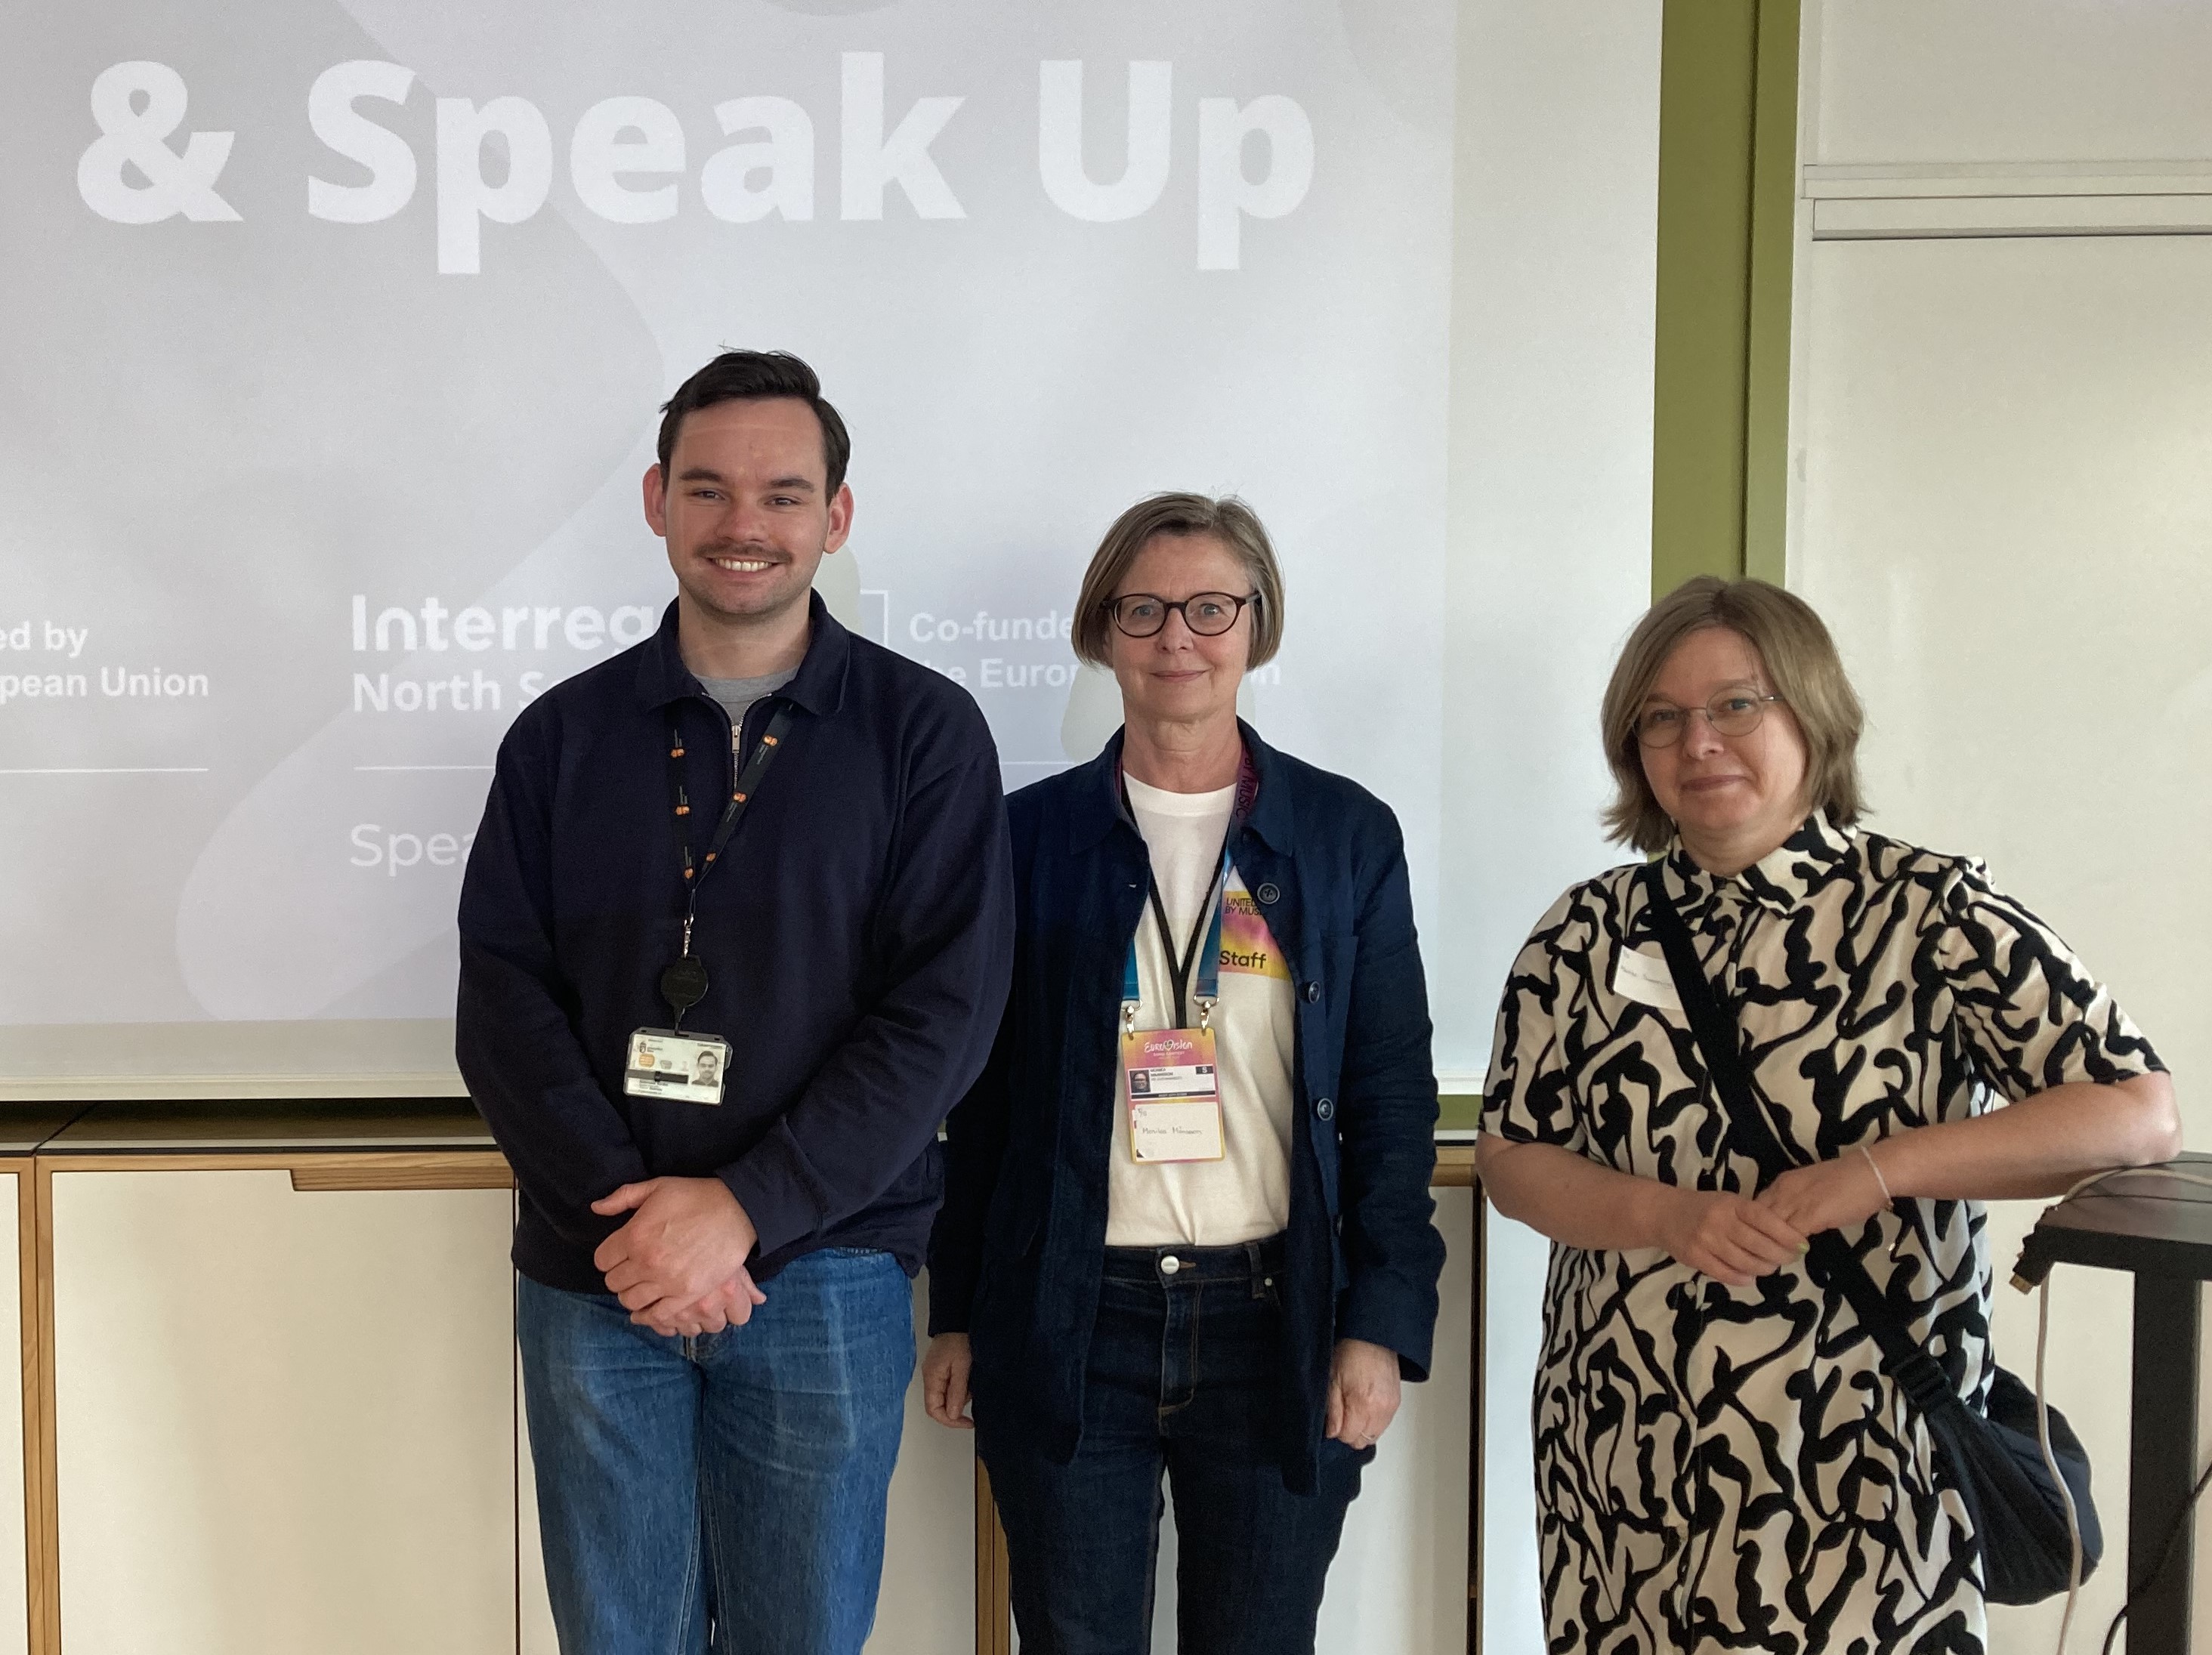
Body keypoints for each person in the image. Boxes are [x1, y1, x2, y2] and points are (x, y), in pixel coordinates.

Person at [1476, 576, 2181, 1653]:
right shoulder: (1582, 932)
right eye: (1662, 717)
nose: (1698, 740)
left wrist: (1880, 1171)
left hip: (1866, 1451)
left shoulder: (1931, 910)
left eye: (1736, 705)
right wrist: (1669, 1217)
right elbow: (1514, 1159)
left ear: (1812, 712)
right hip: (1626, 1446)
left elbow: (2135, 1112)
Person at [456, 350, 1013, 1654]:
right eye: (707, 490)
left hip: (824, 1273)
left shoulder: (924, 735)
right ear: (656, 501)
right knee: (619, 1640)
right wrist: (641, 1228)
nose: (743, 525)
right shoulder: (562, 738)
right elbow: (504, 1004)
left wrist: (747, 1210)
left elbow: (944, 1017)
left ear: (837, 516)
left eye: (781, 493)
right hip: (599, 1275)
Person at [924, 492, 1443, 1654]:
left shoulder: (1347, 838)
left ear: (1257, 627)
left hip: (1278, 1320)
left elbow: (1391, 1101)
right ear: (1100, 631)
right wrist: (953, 1314)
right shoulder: (1025, 840)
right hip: (1071, 1317)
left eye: (1211, 608)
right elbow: (979, 1105)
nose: (1177, 638)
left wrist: (1379, 1324)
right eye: (1144, 608)